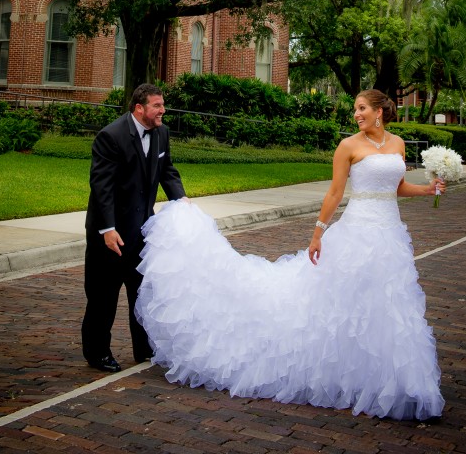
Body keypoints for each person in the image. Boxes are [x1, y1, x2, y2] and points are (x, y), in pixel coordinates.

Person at [135, 89, 446, 420]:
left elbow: (396, 188)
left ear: (380, 111)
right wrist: (318, 233)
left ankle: (390, 379)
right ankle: (345, 373)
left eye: (362, 108)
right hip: (358, 232)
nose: (356, 114)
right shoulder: (348, 147)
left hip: (390, 235)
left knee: (389, 305)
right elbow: (335, 192)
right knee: (345, 306)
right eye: (355, 109)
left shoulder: (398, 145)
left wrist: (427, 189)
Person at [82, 83, 186, 373]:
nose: (163, 110)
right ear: (139, 108)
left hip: (143, 232)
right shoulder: (110, 136)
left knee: (142, 293)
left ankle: (144, 349)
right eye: (157, 105)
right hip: (110, 235)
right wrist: (107, 229)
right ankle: (97, 353)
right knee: (103, 297)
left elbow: (167, 171)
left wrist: (181, 199)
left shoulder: (162, 133)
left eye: (162, 105)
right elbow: (101, 187)